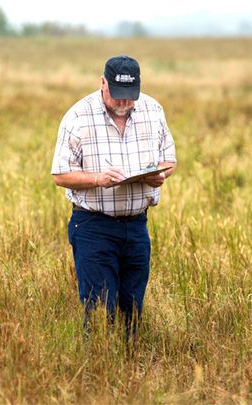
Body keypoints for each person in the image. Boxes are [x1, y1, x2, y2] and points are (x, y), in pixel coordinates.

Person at [51, 55, 177, 337]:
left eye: (130, 97)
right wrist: (98, 179)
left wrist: (160, 175)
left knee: (132, 308)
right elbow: (60, 175)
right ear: (103, 84)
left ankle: (130, 367)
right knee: (99, 309)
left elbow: (169, 160)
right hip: (93, 227)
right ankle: (99, 370)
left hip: (137, 227)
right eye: (118, 97)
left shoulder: (153, 110)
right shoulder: (78, 117)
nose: (124, 103)